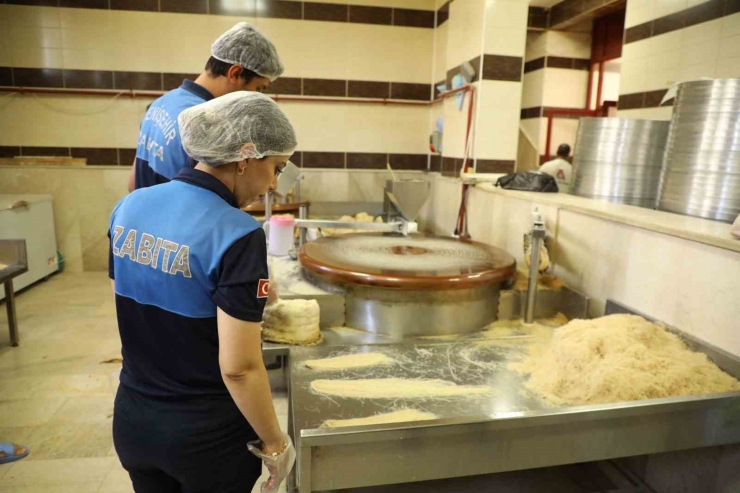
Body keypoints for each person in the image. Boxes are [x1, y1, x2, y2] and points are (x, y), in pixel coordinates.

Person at [110, 92, 297, 493]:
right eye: (276, 168)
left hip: (133, 421)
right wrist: (275, 443)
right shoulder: (238, 233)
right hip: (206, 441)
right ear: (246, 156)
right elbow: (239, 368)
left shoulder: (128, 207)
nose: (273, 185)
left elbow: (151, 292)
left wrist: (244, 293)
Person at [128, 22, 284, 192]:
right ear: (235, 73)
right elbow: (209, 202)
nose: (257, 97)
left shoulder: (160, 103)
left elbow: (132, 184)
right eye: (259, 88)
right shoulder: (207, 123)